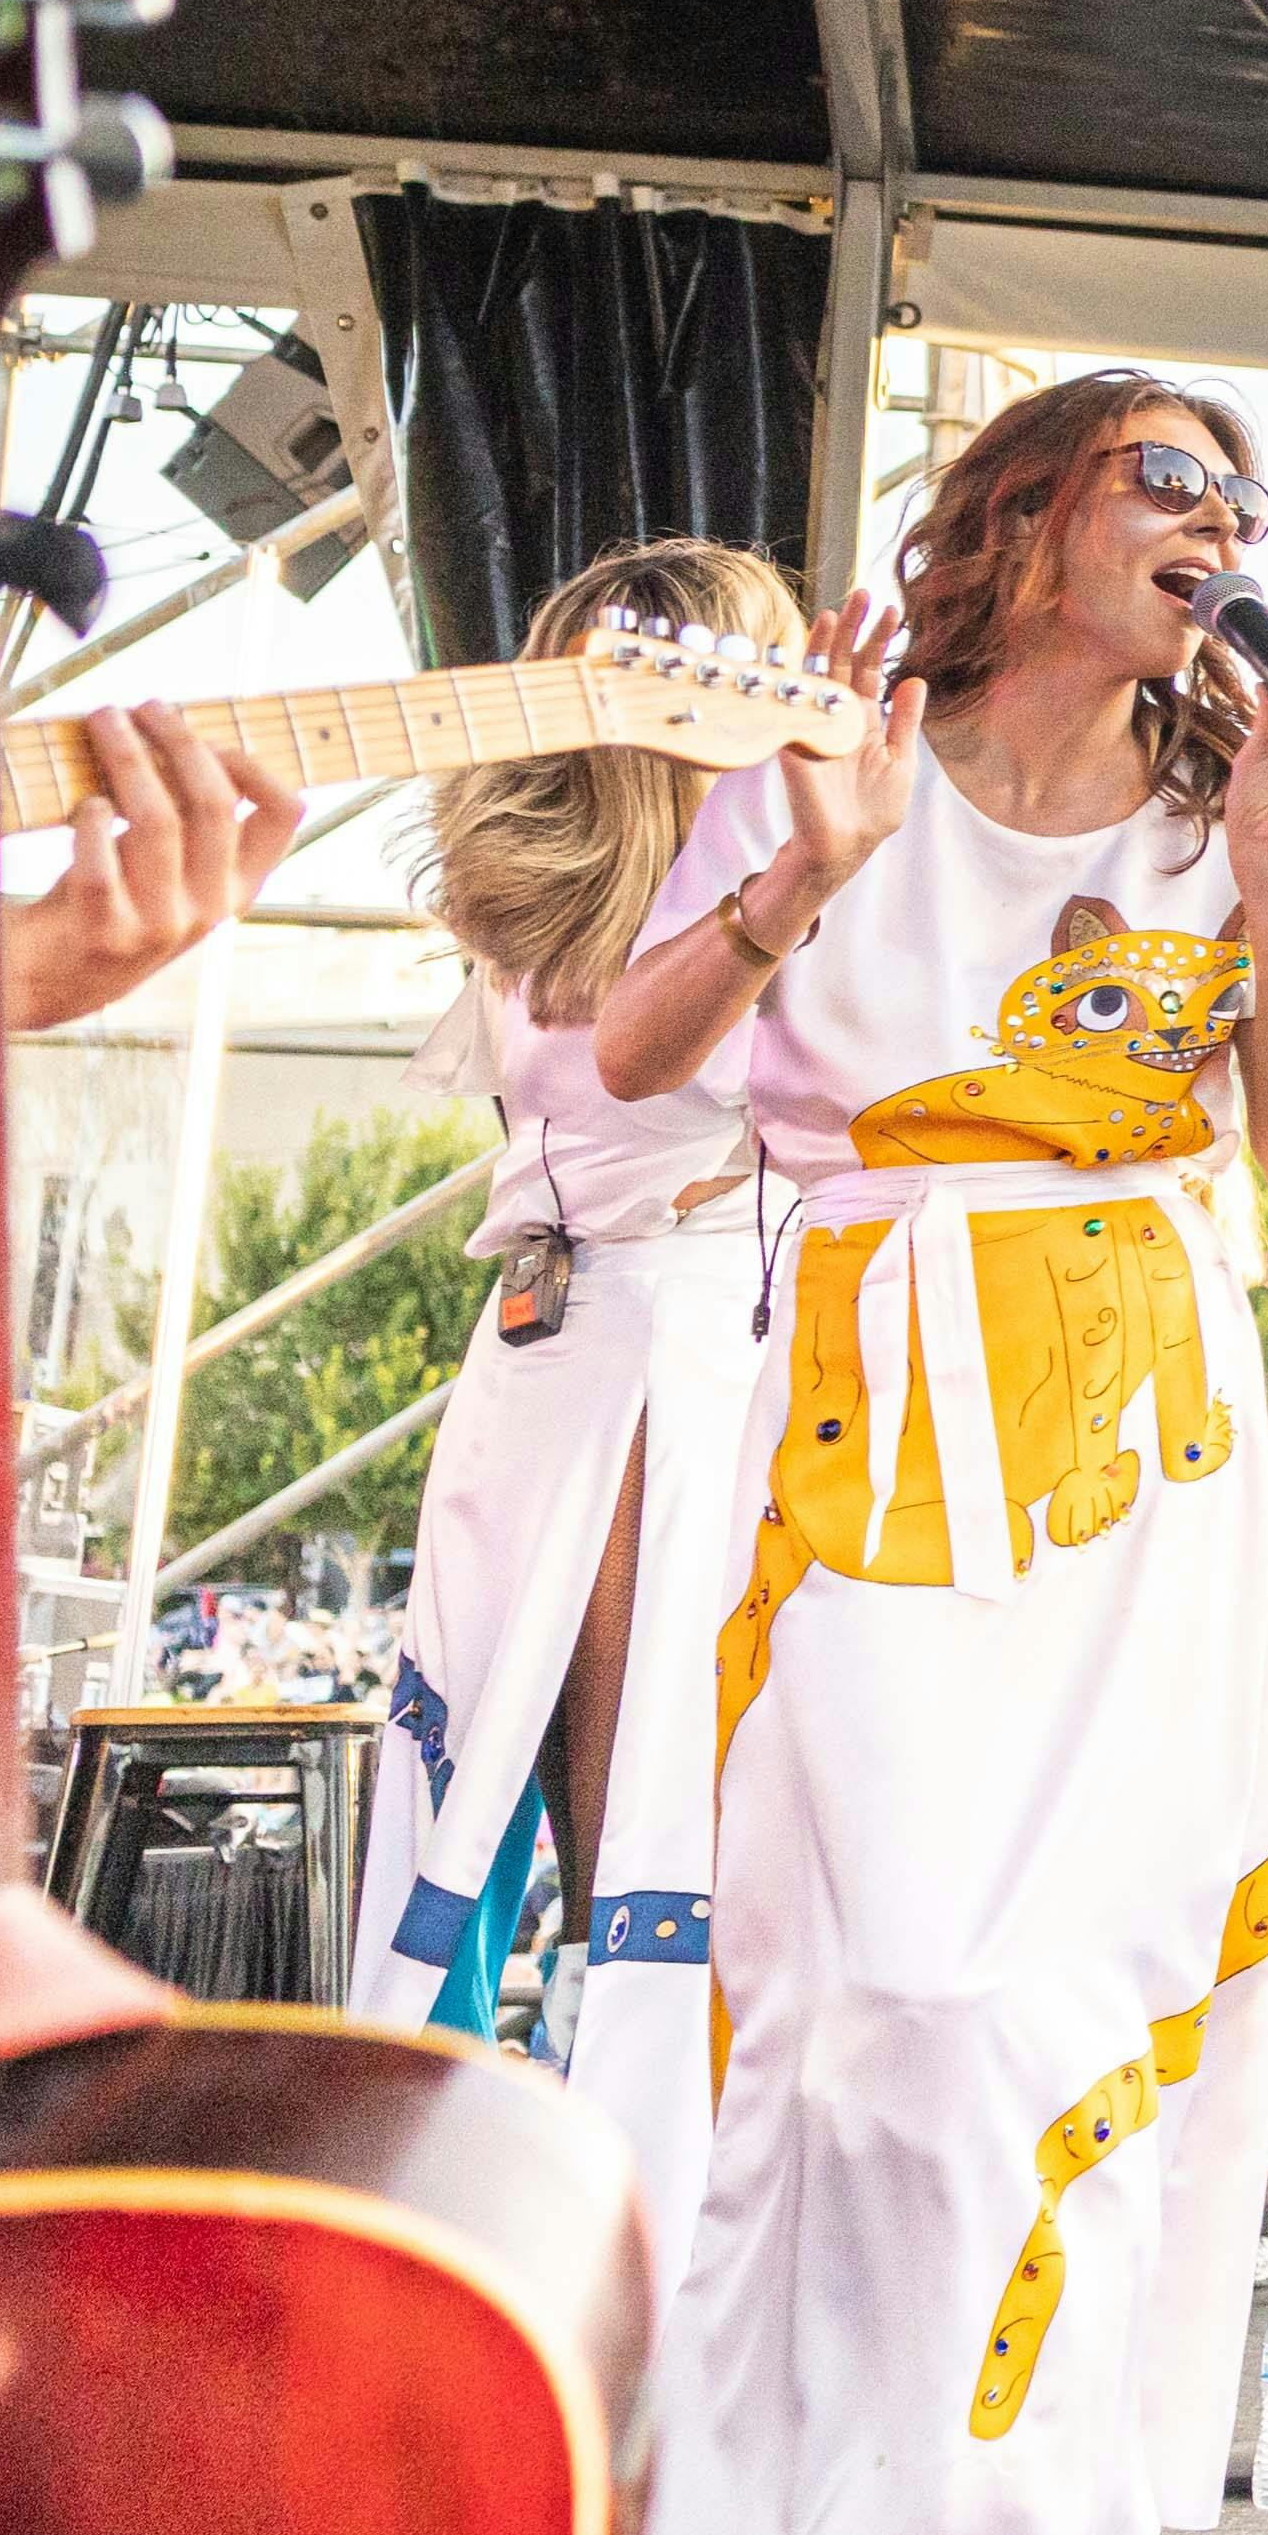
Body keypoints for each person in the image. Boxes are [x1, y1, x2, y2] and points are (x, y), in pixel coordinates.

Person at [595, 366, 1268, 2535]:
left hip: (1145, 1453)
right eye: (1169, 479)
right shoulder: (833, 744)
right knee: (892, 2002)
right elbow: (635, 1056)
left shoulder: (1205, 820)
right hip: (877, 1434)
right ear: (1027, 514)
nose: (1213, 524)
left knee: (1056, 2012)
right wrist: (802, 870)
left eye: (1240, 502)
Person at [341, 536, 800, 2261]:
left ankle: (610, 2223)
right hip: (587, 1352)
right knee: (539, 1795)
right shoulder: (654, 898)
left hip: (644, 1345)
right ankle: (547, 2230)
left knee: (613, 1816)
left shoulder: (744, 899)